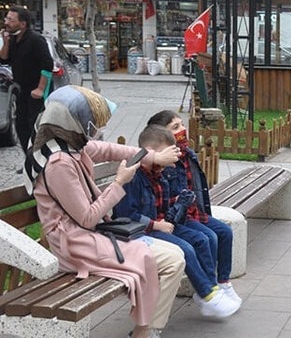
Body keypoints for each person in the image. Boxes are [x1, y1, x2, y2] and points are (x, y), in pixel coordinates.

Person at [23, 85, 186, 338]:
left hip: (90, 235)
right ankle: (145, 330)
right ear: (76, 122)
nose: (96, 129)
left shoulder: (70, 144)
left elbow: (111, 150)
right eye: (91, 121)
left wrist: (152, 157)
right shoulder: (59, 162)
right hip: (74, 243)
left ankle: (146, 328)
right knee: (171, 259)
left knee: (175, 255)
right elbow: (87, 218)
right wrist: (119, 182)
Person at [114, 124, 242, 319]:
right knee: (186, 249)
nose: (170, 165)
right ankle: (208, 294)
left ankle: (209, 290)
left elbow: (163, 205)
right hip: (141, 232)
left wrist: (178, 202)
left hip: (161, 224)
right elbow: (127, 215)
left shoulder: (158, 174)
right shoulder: (134, 176)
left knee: (201, 239)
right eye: (167, 157)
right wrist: (157, 225)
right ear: (151, 153)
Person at [146, 110, 238, 300]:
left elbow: (194, 188)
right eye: (176, 127)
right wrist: (182, 207)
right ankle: (208, 288)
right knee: (208, 237)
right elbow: (168, 200)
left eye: (182, 124)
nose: (183, 130)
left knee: (224, 232)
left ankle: (222, 282)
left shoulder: (186, 153)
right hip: (177, 217)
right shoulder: (165, 161)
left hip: (194, 212)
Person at [1, 6, 53, 166]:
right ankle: (30, 162)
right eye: (6, 18)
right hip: (22, 92)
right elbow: (4, 59)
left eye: (11, 19)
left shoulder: (36, 40)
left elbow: (47, 66)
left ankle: (43, 163)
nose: (6, 22)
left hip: (36, 93)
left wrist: (40, 89)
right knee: (21, 128)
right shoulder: (14, 40)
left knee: (35, 129)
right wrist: (6, 41)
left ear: (22, 24)